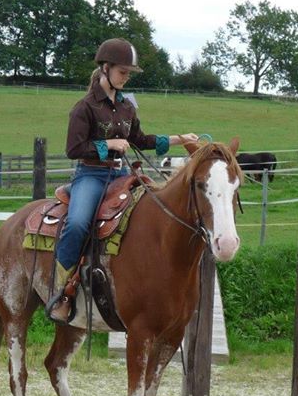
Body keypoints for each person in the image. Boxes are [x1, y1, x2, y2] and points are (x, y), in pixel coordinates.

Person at [46, 37, 198, 324]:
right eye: (122, 72)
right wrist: (110, 145)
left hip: (122, 175)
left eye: (129, 73)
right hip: (91, 174)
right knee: (78, 223)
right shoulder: (84, 107)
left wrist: (180, 138)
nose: (126, 78)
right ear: (105, 69)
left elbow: (140, 140)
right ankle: (62, 291)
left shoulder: (127, 107)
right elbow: (73, 149)